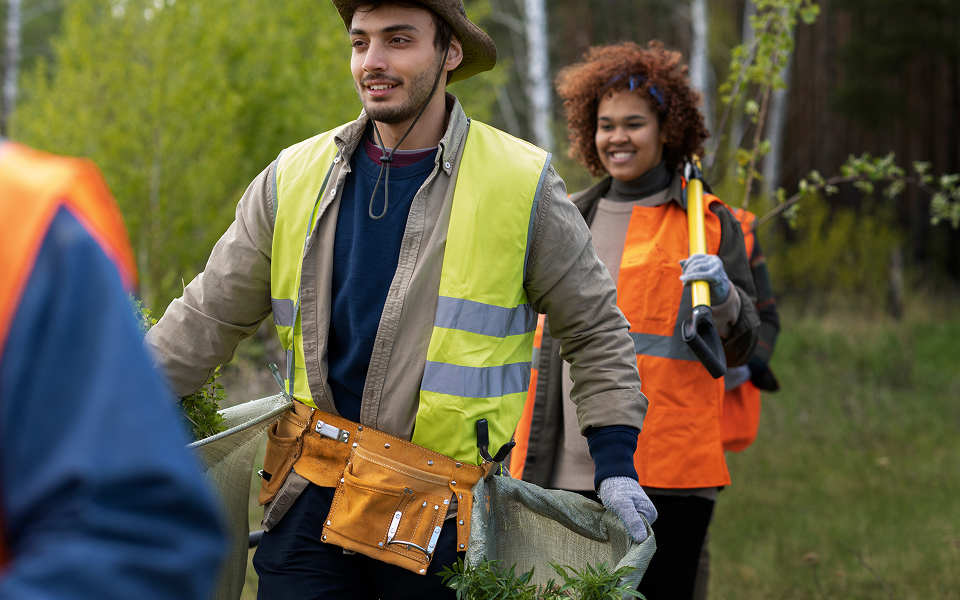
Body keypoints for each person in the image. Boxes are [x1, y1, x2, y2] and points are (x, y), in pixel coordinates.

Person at [143, 1, 657, 598]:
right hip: (310, 496)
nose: (373, 62)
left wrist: (615, 461)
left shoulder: (521, 184)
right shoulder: (293, 176)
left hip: (446, 523)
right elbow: (204, 316)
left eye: (398, 40)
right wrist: (117, 412)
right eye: (360, 43)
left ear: (450, 52)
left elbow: (596, 329)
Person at [511, 41, 760, 600]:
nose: (617, 137)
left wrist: (722, 295)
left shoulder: (708, 224)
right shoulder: (570, 214)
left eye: (633, 123)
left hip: (669, 470)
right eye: (604, 124)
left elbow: (743, 345)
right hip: (563, 466)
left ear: (667, 129)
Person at [0, 141, 225, 599]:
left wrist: (130, 400)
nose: (372, 64)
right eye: (359, 58)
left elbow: (135, 540)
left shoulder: (23, 219)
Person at [693, 206, 781, 600]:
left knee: (692, 539)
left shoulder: (736, 225)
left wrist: (745, 362)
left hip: (703, 422)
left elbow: (767, 318)